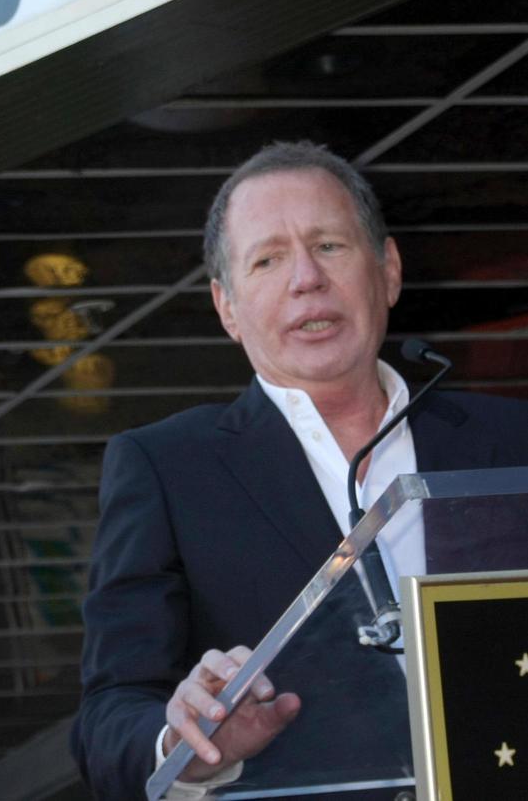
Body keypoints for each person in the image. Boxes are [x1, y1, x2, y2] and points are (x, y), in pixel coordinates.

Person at [71, 141, 528, 799]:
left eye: (330, 246)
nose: (305, 278)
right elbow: (106, 720)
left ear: (388, 270)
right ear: (226, 306)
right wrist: (186, 745)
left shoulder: (512, 441)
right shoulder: (166, 468)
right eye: (267, 259)